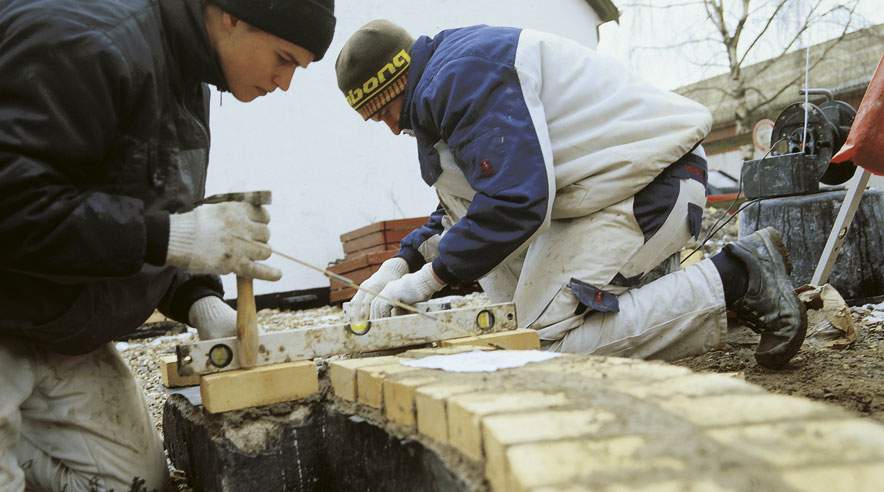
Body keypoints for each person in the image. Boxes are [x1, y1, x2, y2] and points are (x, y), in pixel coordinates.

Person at [336, 20, 806, 371]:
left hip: (653, 186)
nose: (391, 127)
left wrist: (431, 279)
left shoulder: (460, 80)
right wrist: (402, 263)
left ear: (393, 85)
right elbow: (464, 207)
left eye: (381, 113)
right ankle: (671, 299)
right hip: (609, 192)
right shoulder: (453, 75)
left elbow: (515, 200)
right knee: (516, 327)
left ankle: (738, 277)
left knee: (541, 346)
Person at [0, 0, 335, 490]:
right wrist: (171, 237)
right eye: (283, 59)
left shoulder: (186, 71)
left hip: (53, 319)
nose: (284, 83)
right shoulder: (88, 43)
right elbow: (13, 206)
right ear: (231, 15)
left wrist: (199, 299)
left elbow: (145, 204)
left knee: (135, 483)